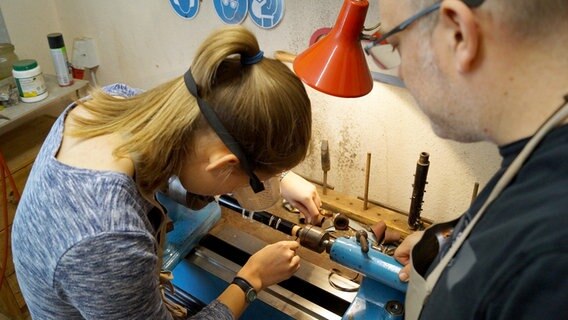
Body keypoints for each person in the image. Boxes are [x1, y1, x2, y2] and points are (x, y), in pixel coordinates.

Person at [12, 25, 322, 319]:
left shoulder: (112, 102)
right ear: (224, 164)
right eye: (255, 182)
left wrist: (279, 179)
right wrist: (251, 279)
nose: (243, 189)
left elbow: (177, 167)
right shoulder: (110, 240)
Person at [363, 0, 568, 319]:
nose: (400, 70)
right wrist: (447, 245)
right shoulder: (540, 161)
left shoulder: (549, 263)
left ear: (458, 35)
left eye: (397, 45)